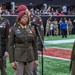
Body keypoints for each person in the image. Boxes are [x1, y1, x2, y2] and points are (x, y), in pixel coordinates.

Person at [16, 4, 44, 75]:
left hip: (32, 49)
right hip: (22, 51)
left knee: (33, 70)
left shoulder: (36, 19)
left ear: (26, 11)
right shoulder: (19, 20)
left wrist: (38, 49)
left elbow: (40, 35)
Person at [8, 10, 38, 75]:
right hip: (19, 57)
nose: (25, 18)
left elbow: (34, 44)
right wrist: (12, 61)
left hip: (30, 56)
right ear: (19, 19)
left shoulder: (31, 28)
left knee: (30, 73)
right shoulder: (14, 29)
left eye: (26, 17)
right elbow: (10, 45)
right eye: (23, 17)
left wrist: (36, 58)